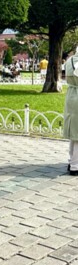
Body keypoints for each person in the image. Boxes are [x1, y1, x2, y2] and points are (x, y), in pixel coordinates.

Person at [63, 47, 78, 175]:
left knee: (74, 133)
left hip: (71, 96)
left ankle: (71, 161)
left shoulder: (70, 60)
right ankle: (75, 165)